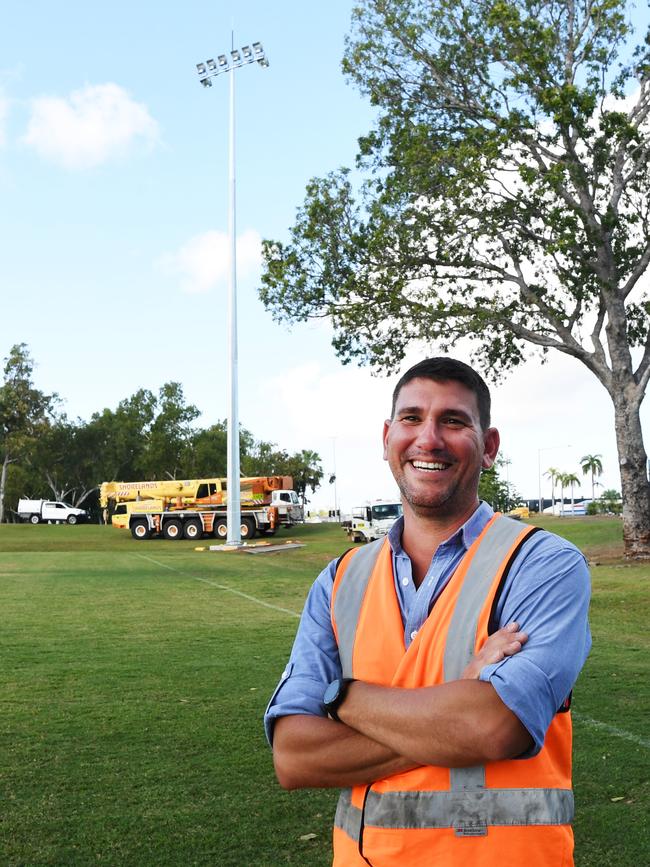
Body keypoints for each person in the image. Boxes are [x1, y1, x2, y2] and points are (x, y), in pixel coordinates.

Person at [264, 357, 591, 866]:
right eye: (412, 418)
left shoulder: (541, 565)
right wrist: (457, 704)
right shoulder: (339, 580)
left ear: (489, 448)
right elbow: (294, 756)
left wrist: (341, 699)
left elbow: (494, 728)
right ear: (387, 436)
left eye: (454, 421)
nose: (429, 438)